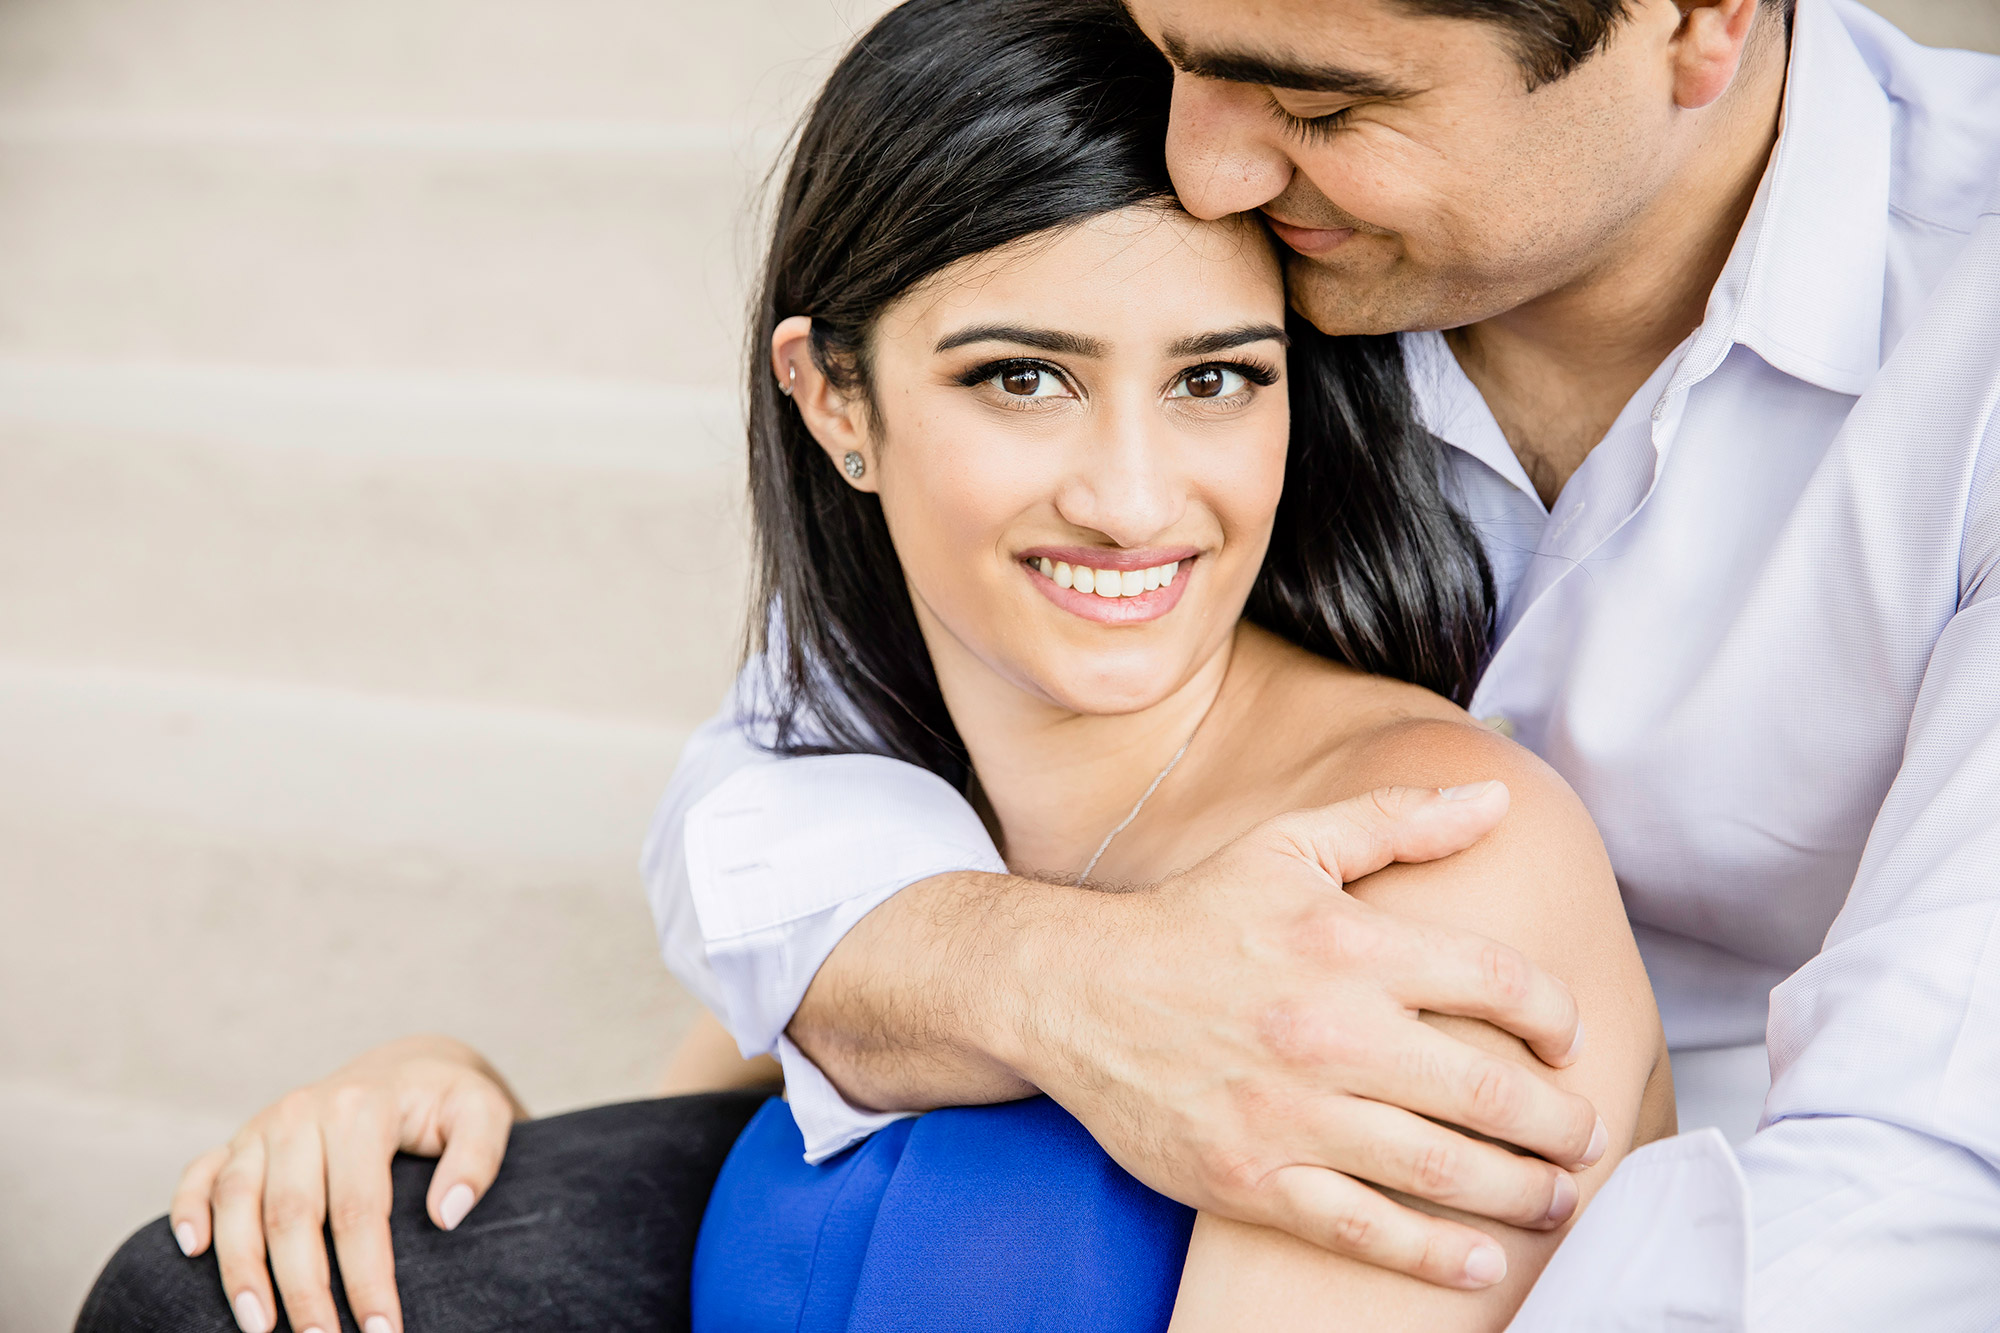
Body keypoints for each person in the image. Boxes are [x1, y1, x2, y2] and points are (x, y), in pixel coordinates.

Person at [77, 3, 1674, 1331]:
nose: (1130, 493)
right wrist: (447, 1087)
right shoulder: (874, 811)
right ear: (836, 401)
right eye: (1025, 376)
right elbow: (741, 1125)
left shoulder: (1439, 861)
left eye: (1211, 379)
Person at [653, 0, 2000, 1326]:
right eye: (1181, 57)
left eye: (1320, 105)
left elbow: (1920, 1166)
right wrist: (1056, 978)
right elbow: (775, 778)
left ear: (1701, 20)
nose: (1206, 171)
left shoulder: (1966, 322)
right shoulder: (1225, 225)